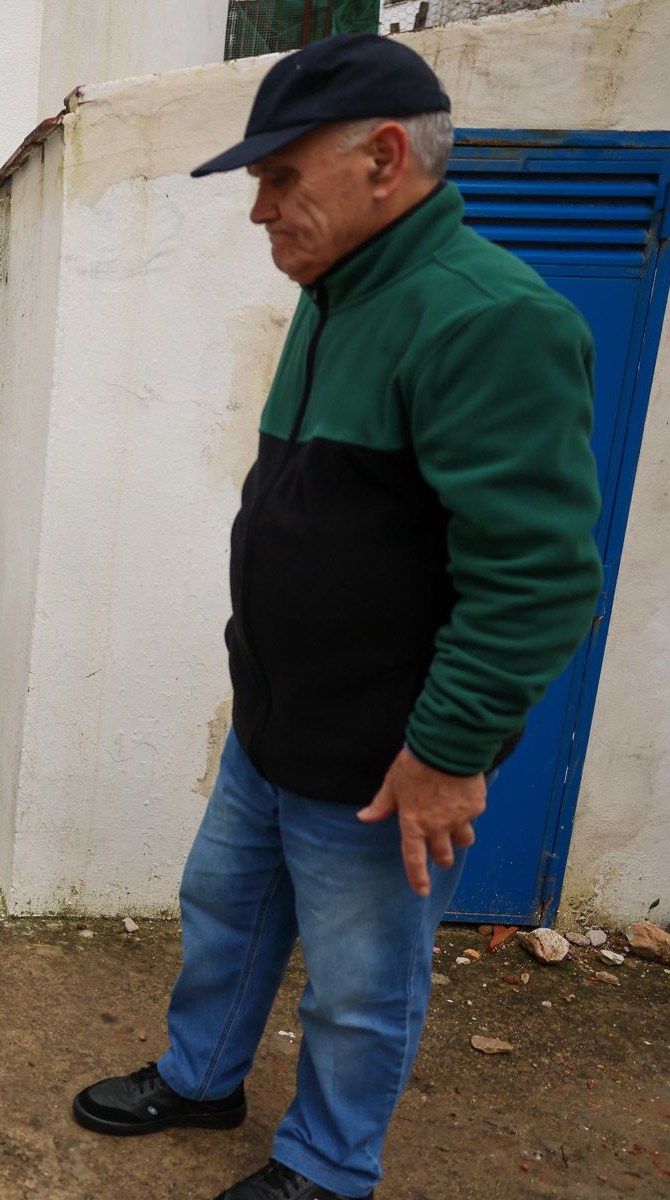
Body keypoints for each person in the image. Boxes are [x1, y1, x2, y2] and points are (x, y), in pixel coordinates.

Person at [70, 33, 604, 1200]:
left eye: (279, 177)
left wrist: (449, 753)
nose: (258, 210)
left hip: (386, 755)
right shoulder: (336, 290)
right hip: (279, 719)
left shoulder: (485, 318)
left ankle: (324, 1166)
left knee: (361, 983)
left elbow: (540, 575)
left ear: (386, 158)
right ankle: (202, 1076)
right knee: (224, 908)